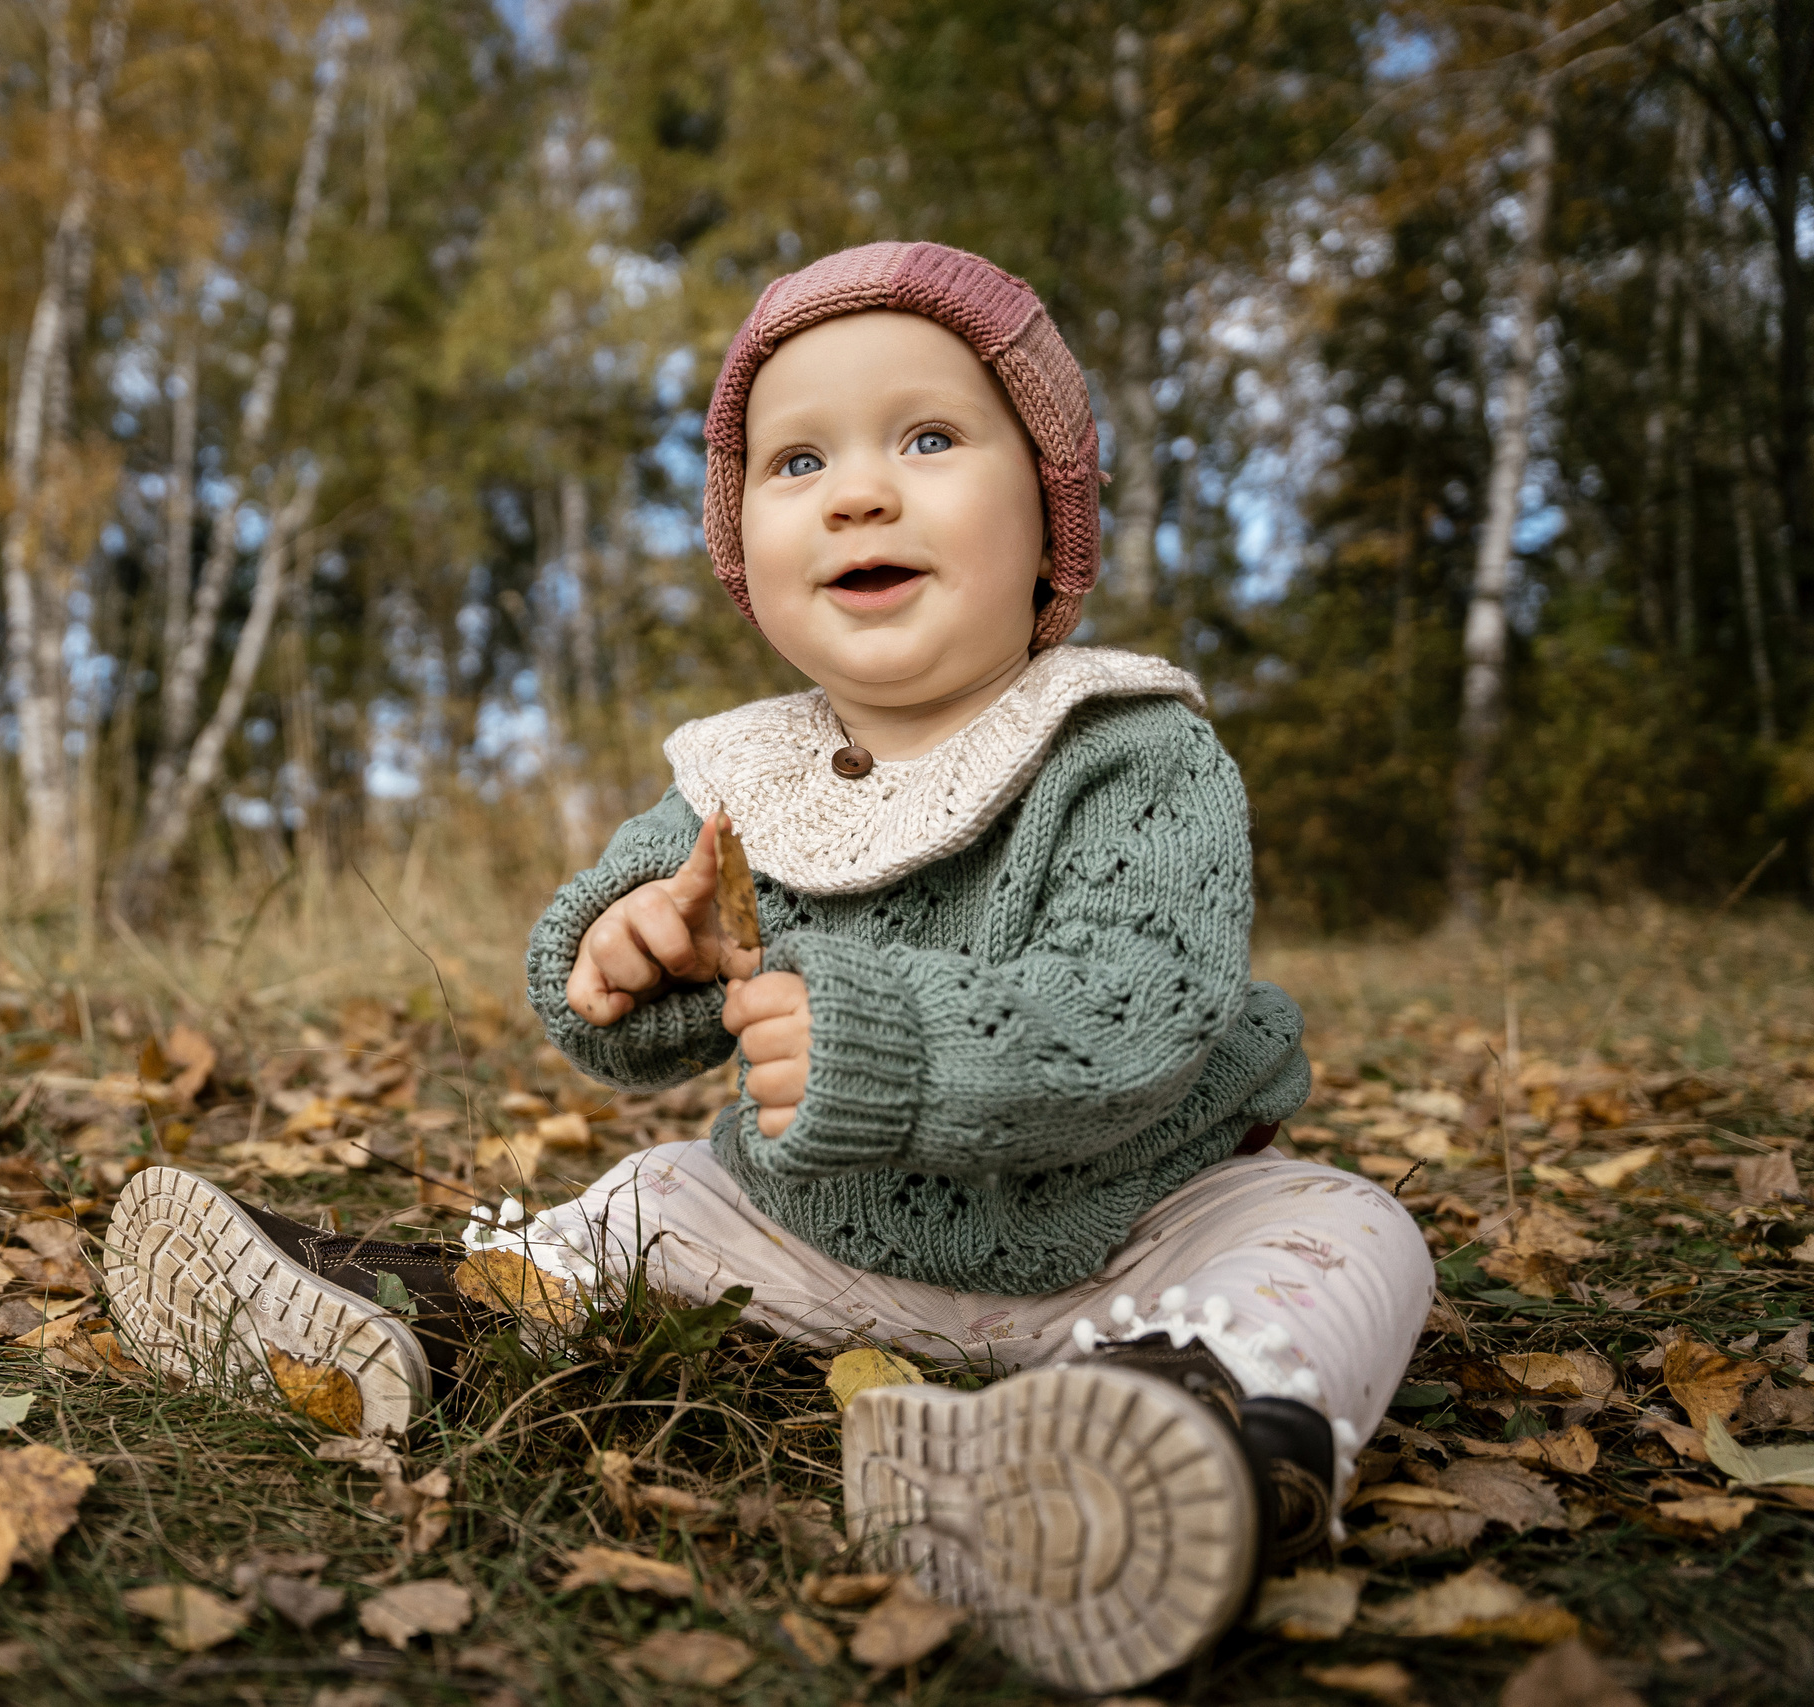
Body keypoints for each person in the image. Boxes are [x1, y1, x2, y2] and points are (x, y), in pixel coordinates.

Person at [102, 240, 1433, 1695]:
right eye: (798, 462)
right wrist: (626, 956)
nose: (860, 490)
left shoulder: (1131, 754)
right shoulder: (750, 774)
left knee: (1347, 1236)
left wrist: (893, 1048)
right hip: (808, 1238)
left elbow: (1137, 1010)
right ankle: (418, 1319)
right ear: (747, 553)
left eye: (929, 438)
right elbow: (619, 947)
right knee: (653, 1194)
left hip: (1124, 1240)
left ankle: (1167, 1438)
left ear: (1052, 518)